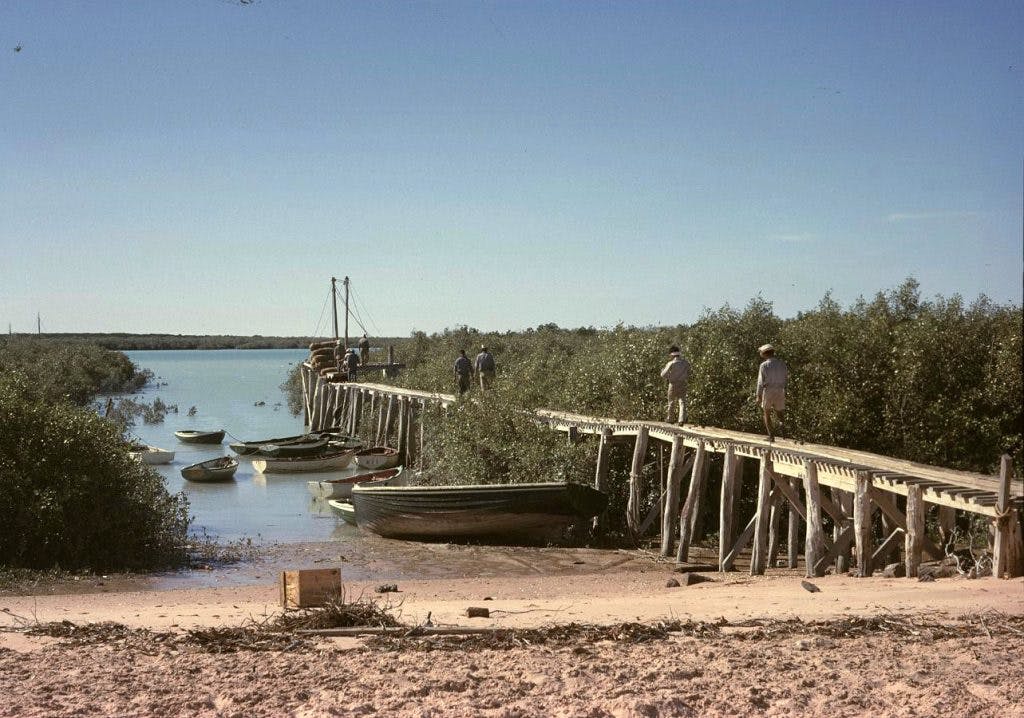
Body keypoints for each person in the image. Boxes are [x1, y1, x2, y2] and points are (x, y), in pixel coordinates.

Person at [756, 343, 788, 441]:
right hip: (780, 389)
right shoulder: (782, 364)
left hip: (769, 389)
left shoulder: (764, 365)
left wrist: (758, 395)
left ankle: (771, 436)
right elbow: (786, 377)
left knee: (766, 413)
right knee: (779, 412)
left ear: (765, 353)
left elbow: (760, 382)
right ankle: (783, 429)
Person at [659, 345, 691, 425]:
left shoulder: (670, 363)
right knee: (682, 402)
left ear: (672, 354)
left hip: (672, 384)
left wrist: (669, 376)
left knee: (671, 402)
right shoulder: (685, 363)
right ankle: (681, 419)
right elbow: (689, 373)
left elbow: (663, 374)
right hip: (682, 383)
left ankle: (670, 419)